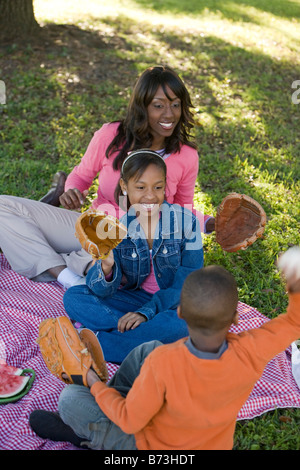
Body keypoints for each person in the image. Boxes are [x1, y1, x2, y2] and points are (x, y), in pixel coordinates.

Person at [29, 246, 300, 450]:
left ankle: (84, 438)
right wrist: (295, 284)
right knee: (148, 347)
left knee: (70, 399)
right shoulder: (251, 350)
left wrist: (91, 381)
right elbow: (293, 321)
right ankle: (111, 399)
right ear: (235, 319)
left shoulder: (165, 362)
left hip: (150, 446)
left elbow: (130, 421)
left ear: (180, 313)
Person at [0, 65, 213, 290]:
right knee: (4, 208)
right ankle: (67, 278)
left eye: (176, 105)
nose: (169, 114)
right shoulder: (111, 135)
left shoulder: (186, 155)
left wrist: (210, 223)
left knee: (120, 262)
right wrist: (72, 189)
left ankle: (77, 265)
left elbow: (181, 208)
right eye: (158, 106)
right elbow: (81, 176)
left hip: (139, 243)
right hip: (93, 228)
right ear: (142, 107)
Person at [63, 148, 204, 364]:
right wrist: (106, 268)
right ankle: (139, 336)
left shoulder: (187, 222)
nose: (150, 195)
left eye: (158, 187)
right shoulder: (118, 228)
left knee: (185, 324)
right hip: (135, 300)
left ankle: (100, 343)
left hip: (175, 302)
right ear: (124, 186)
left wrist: (146, 312)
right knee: (74, 297)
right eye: (140, 187)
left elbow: (188, 281)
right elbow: (98, 288)